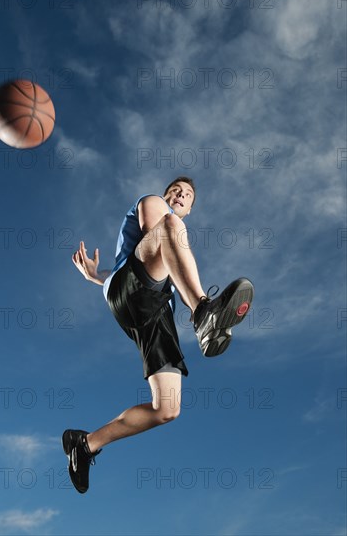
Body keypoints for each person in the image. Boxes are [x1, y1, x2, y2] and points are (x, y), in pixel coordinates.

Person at [62, 176, 254, 494]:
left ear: (191, 207)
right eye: (175, 190)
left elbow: (139, 269)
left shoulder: (169, 246)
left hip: (153, 311)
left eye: (188, 194)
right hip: (137, 290)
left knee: (166, 409)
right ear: (165, 194)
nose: (180, 194)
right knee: (169, 227)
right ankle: (203, 312)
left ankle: (85, 444)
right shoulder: (154, 204)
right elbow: (158, 234)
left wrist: (97, 277)